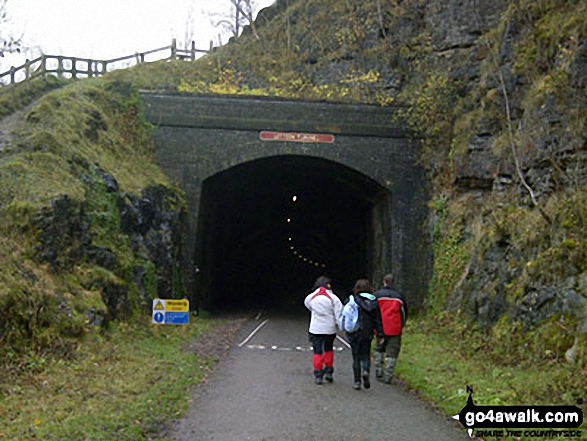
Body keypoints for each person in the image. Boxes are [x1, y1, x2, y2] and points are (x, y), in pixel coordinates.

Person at [304, 276, 343, 385]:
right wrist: (341, 327)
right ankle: (329, 371)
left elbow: (307, 305)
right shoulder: (333, 298)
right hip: (329, 328)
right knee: (328, 349)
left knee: (317, 352)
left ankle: (318, 375)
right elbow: (338, 314)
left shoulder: (311, 297)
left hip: (315, 328)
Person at [345, 278, 382, 390]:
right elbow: (378, 319)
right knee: (366, 355)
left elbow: (346, 315)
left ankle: (357, 382)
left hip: (355, 332)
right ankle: (365, 371)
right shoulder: (374, 301)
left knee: (356, 357)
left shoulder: (352, 300)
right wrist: (380, 334)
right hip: (368, 332)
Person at [373, 273, 407, 384]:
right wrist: (401, 325)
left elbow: (372, 310)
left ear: (384, 282)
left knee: (379, 348)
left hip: (380, 327)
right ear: (393, 283)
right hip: (394, 329)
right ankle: (388, 375)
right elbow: (404, 313)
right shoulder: (399, 297)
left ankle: (378, 370)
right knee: (392, 352)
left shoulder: (377, 295)